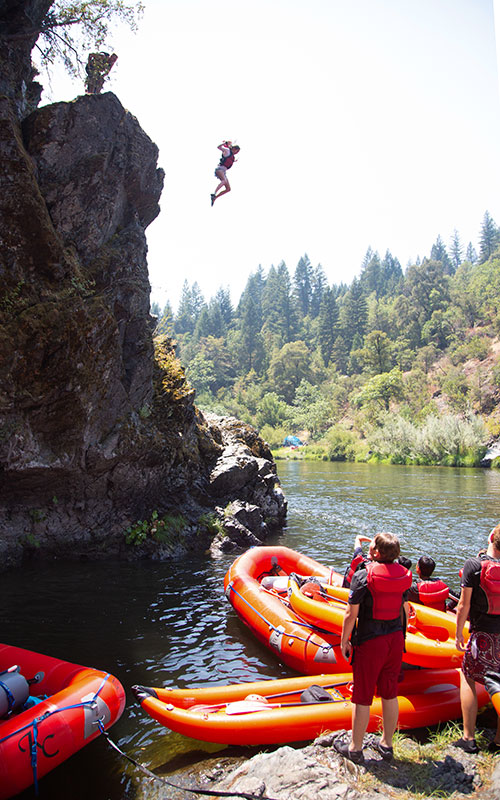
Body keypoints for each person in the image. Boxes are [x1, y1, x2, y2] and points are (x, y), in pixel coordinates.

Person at [335, 532, 411, 764]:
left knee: (362, 695)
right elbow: (405, 609)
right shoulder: (404, 575)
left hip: (371, 640)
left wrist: (344, 640)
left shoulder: (362, 576)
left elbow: (350, 614)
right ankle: (387, 744)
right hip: (395, 639)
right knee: (390, 692)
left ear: (376, 552)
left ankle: (355, 748)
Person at [454, 524, 500, 754]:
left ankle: (469, 737)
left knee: (468, 676)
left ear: (490, 538)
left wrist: (458, 632)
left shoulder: (474, 565)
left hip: (482, 633)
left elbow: (463, 605)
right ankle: (499, 740)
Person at [211, 141, 240, 205]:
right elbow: (219, 147)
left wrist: (234, 161)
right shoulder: (227, 151)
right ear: (234, 149)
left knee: (228, 189)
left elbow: (228, 160)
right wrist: (225, 144)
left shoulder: (232, 156)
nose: (236, 153)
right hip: (220, 169)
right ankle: (214, 193)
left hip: (224, 171)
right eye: (236, 151)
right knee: (224, 180)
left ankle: (215, 198)